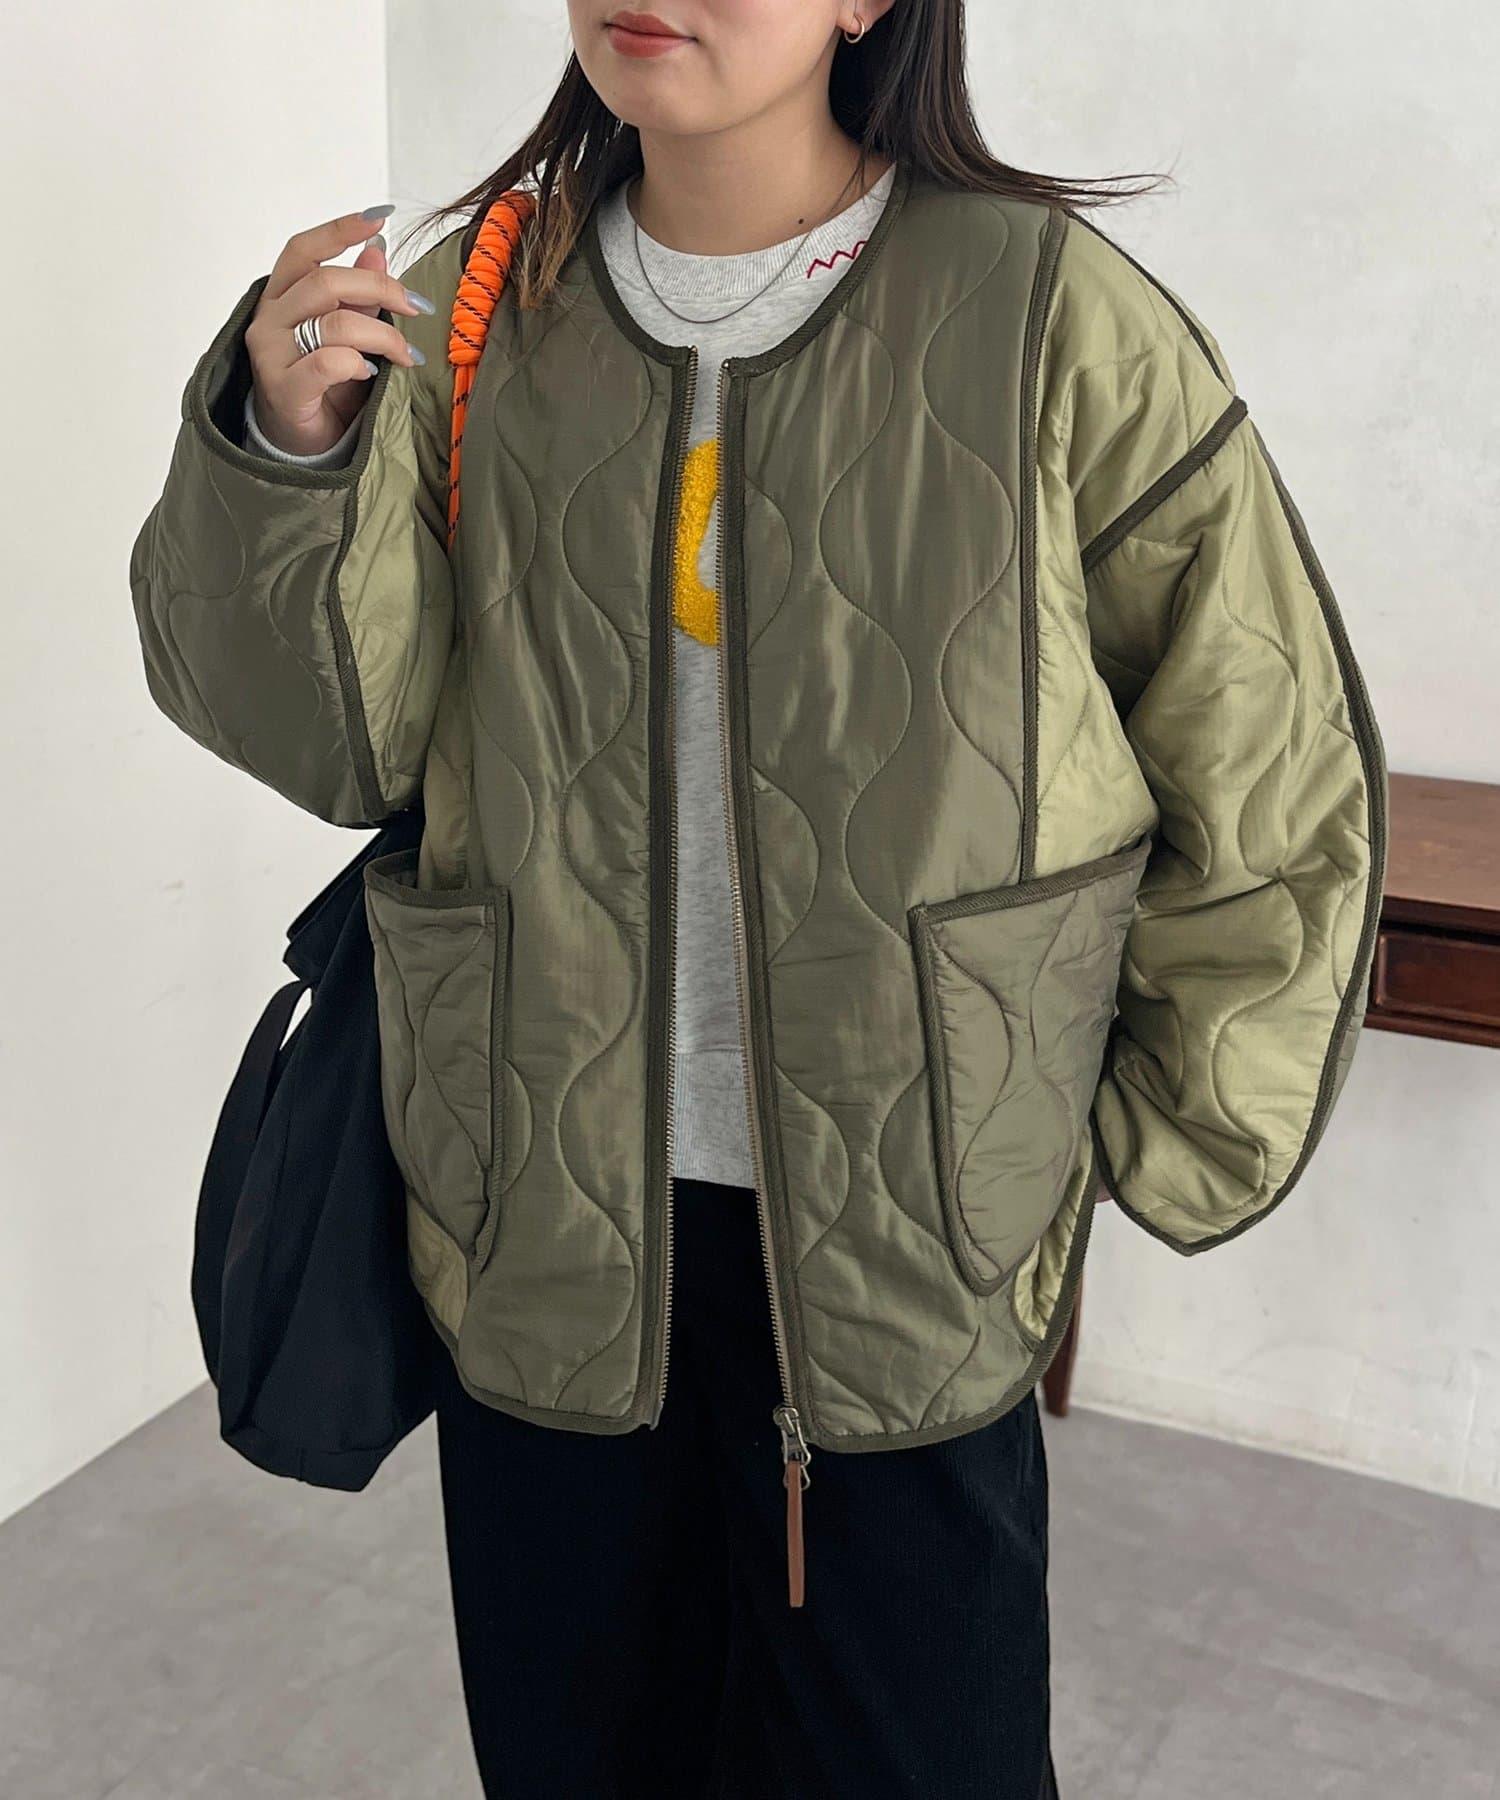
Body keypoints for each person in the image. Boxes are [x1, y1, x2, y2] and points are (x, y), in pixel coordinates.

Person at [128, 2, 1388, 1794]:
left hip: (908, 1239)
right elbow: (342, 744)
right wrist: (289, 452)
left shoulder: (1048, 316)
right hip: (540, 1213)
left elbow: (1267, 774)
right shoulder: (472, 307)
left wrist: (1106, 1137)